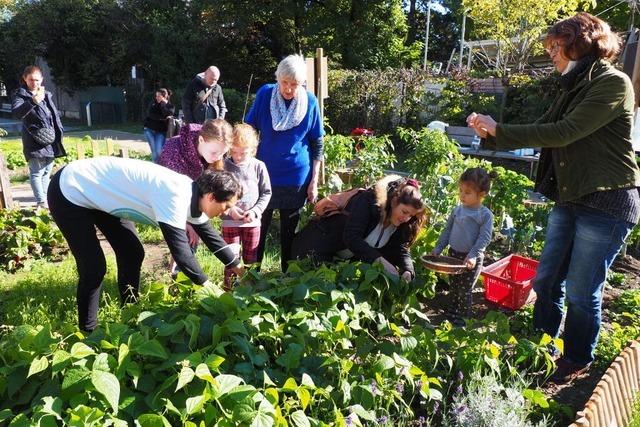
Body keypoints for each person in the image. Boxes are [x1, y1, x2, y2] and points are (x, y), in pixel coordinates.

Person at [467, 12, 640, 383]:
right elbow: (549, 129)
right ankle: (542, 345)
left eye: (556, 47)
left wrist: (501, 130)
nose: (552, 55)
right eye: (549, 48)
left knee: (581, 290)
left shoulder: (612, 83)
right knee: (546, 282)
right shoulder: (572, 86)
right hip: (571, 197)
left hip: (607, 203)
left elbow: (565, 132)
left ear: (581, 43)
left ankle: (576, 359)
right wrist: (491, 132)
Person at [47, 157, 244, 332]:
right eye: (227, 206)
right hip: (71, 189)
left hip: (102, 194)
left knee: (132, 252)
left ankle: (130, 311)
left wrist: (240, 270)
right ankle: (88, 331)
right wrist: (210, 288)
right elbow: (182, 255)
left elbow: (212, 238)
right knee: (94, 267)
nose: (227, 212)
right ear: (211, 197)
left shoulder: (196, 197)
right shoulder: (176, 196)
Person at [245, 54, 325, 272]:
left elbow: (317, 142)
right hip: (263, 175)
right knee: (257, 228)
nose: (288, 89)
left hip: (296, 178)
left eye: (294, 84)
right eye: (284, 82)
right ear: (277, 78)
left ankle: (287, 279)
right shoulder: (264, 94)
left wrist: (314, 181)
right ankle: (252, 275)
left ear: (302, 84)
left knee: (289, 233)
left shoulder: (310, 101)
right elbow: (249, 129)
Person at [291, 176, 427, 280]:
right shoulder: (368, 202)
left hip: (338, 259)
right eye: (404, 212)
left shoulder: (398, 224)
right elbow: (351, 237)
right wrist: (380, 261)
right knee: (310, 289)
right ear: (394, 202)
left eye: (411, 215)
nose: (406, 218)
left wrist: (408, 270)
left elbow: (401, 248)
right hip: (315, 247)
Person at [158, 118, 233, 275]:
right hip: (167, 202)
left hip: (193, 201)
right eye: (214, 152)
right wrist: (188, 222)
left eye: (223, 153)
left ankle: (180, 275)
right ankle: (178, 280)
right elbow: (169, 195)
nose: (218, 157)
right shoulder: (174, 151)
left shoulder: (213, 151)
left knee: (194, 237)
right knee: (186, 240)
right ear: (201, 139)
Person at [432, 168, 495, 327]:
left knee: (464, 290)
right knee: (453, 287)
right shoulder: (457, 210)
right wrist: (438, 248)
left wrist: (473, 255)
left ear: (482, 194)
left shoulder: (484, 214)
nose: (461, 195)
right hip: (453, 255)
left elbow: (484, 237)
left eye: (467, 192)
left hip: (470, 258)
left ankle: (463, 318)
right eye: (460, 190)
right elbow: (447, 231)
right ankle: (452, 311)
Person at [221, 124, 272, 286]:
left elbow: (266, 193)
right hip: (230, 222)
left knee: (251, 260)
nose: (238, 156)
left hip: (252, 223)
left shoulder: (259, 166)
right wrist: (229, 209)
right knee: (231, 258)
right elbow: (217, 194)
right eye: (234, 151)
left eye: (243, 153)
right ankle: (228, 290)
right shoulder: (223, 166)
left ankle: (249, 291)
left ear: (253, 149)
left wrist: (255, 212)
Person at [11, 65, 66, 208]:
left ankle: (47, 199)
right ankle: (41, 201)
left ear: (41, 79)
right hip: (34, 139)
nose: (34, 83)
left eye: (36, 80)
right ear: (25, 79)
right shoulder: (20, 95)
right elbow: (17, 113)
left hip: (50, 139)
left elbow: (53, 117)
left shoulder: (46, 94)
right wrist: (33, 101)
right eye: (30, 80)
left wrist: (58, 134)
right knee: (36, 172)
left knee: (47, 172)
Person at [143, 88, 175, 162]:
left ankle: (159, 167)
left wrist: (163, 104)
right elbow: (150, 115)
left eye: (159, 96)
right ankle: (155, 168)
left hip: (160, 132)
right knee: (154, 152)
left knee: (159, 151)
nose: (156, 97)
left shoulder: (170, 106)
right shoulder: (153, 103)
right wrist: (163, 119)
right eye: (156, 96)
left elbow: (168, 113)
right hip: (149, 130)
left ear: (164, 97)